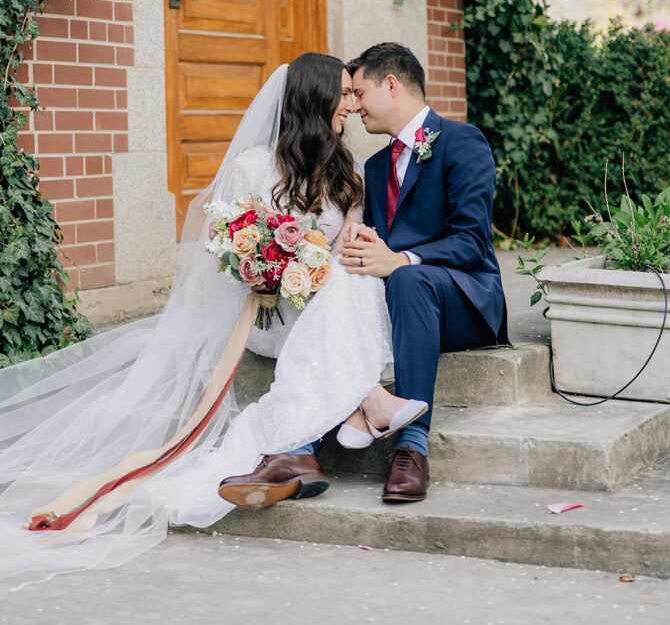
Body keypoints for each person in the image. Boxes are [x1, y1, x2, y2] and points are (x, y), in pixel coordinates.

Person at [0, 54, 424, 592]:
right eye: (343, 92)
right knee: (335, 294)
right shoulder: (251, 167)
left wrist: (338, 256)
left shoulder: (348, 172)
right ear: (315, 98)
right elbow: (221, 255)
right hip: (268, 314)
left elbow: (347, 248)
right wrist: (264, 274)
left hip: (325, 307)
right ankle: (365, 404)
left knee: (352, 279)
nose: (352, 102)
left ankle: (295, 454)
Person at [340, 42, 509, 503]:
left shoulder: (462, 140)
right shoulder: (374, 168)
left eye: (359, 93)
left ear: (390, 84)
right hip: (404, 300)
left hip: (463, 300)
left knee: (410, 277)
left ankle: (412, 447)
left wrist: (400, 260)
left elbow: (472, 241)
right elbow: (377, 244)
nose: (353, 107)